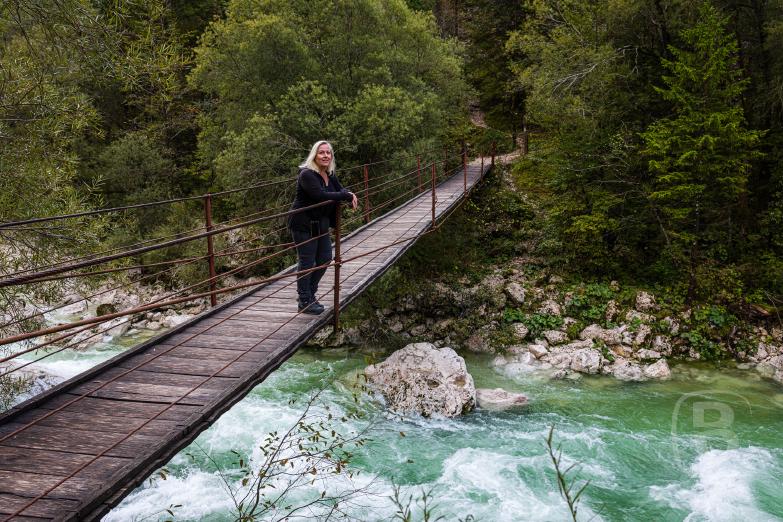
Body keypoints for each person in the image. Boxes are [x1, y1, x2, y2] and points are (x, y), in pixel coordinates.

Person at [288, 141, 358, 314]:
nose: (326, 156)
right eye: (322, 153)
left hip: (321, 223)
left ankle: (310, 294)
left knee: (325, 258)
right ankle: (304, 300)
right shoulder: (307, 174)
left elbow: (340, 189)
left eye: (328, 153)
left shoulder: (329, 173)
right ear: (314, 155)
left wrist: (348, 194)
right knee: (307, 262)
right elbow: (320, 195)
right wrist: (345, 196)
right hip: (303, 224)